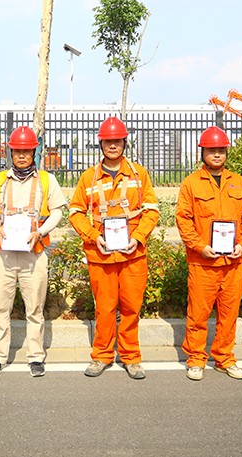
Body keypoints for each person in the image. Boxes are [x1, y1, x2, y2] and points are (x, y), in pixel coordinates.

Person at [69, 117, 159, 380]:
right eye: (108, 141)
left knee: (131, 307)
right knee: (105, 309)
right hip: (101, 254)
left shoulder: (139, 174)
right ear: (101, 144)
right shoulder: (89, 177)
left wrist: (138, 237)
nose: (112, 145)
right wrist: (93, 236)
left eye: (117, 141)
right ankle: (102, 355)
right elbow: (76, 212)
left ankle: (131, 357)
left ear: (124, 143)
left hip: (132, 253)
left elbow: (152, 210)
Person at [0, 126, 67, 377]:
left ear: (34, 152)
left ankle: (36, 357)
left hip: (34, 252)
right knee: (0, 307)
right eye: (17, 151)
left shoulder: (47, 180)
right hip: (3, 253)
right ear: (11, 152)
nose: (21, 155)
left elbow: (58, 212)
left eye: (26, 151)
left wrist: (41, 231)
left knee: (35, 309)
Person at [175, 126, 242, 381]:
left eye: (221, 150)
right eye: (212, 150)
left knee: (229, 313)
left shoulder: (238, 182)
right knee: (198, 314)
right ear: (203, 152)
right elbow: (183, 220)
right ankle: (196, 359)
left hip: (233, 262)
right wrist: (200, 246)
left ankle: (224, 358)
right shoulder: (191, 183)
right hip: (203, 263)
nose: (217, 154)